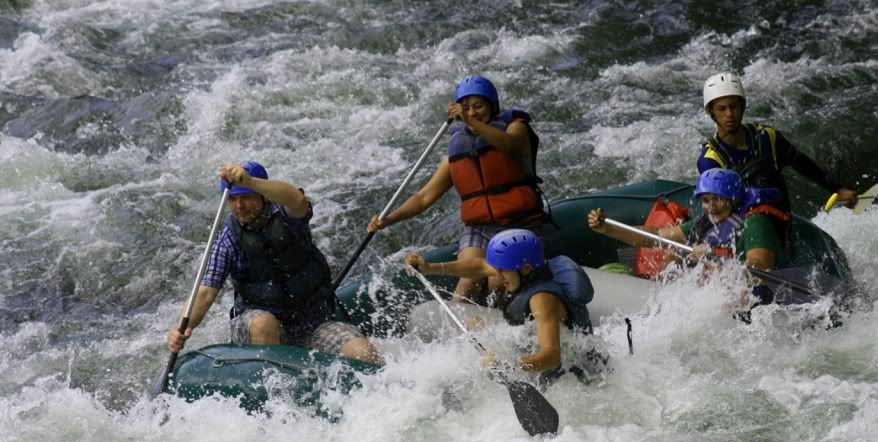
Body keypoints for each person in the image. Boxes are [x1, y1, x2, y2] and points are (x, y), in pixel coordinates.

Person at [167, 161, 381, 363]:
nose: (239, 206)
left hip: (314, 324)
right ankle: (278, 390)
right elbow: (205, 293)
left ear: (263, 195)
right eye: (232, 199)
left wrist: (250, 181)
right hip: (260, 327)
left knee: (365, 354)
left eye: (247, 197)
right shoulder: (228, 239)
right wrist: (181, 328)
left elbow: (297, 200)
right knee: (263, 324)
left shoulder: (288, 216)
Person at [369, 75, 545, 302]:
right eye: (465, 108)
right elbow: (423, 197)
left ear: (492, 106)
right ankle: (458, 330)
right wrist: (388, 219)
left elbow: (507, 144)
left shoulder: (516, 128)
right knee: (466, 284)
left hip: (520, 222)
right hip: (479, 228)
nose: (472, 113)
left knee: (496, 281)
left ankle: (506, 321)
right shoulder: (459, 149)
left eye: (478, 106)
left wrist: (471, 123)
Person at [404, 229, 595, 377]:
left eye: (501, 271)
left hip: (574, 372)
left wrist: (510, 364)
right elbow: (479, 265)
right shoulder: (519, 270)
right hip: (532, 345)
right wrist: (430, 268)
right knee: (474, 322)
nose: (496, 276)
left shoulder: (542, 300)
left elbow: (553, 356)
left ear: (526, 268)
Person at [699, 71, 859, 246]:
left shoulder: (767, 138)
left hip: (780, 224)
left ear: (742, 106)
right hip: (743, 232)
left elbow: (802, 164)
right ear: (710, 112)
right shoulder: (709, 160)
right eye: (722, 109)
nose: (729, 114)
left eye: (734, 106)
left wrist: (838, 189)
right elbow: (719, 210)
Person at [588, 168, 780, 303]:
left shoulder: (754, 222)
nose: (711, 207)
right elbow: (655, 236)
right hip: (715, 295)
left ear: (733, 200)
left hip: (754, 297)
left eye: (718, 200)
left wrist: (712, 254)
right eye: (706, 200)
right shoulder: (704, 222)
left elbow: (760, 268)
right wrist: (609, 229)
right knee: (674, 254)